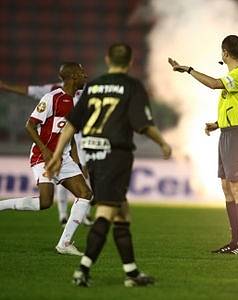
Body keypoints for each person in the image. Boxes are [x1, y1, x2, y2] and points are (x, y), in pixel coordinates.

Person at [46, 43, 172, 287]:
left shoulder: (93, 86)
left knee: (122, 214)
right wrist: (163, 144)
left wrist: (56, 154)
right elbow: (143, 124)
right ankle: (82, 270)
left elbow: (71, 123)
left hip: (93, 156)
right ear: (131, 62)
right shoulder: (131, 86)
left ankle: (132, 273)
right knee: (106, 212)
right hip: (115, 156)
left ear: (107, 59)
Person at [169, 35, 238, 255]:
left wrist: (189, 70)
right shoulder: (233, 77)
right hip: (227, 133)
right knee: (227, 187)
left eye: (221, 52)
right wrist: (218, 124)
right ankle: (235, 241)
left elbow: (214, 84)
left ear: (225, 53)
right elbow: (235, 107)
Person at [0, 62, 93, 256]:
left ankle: (65, 243)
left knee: (85, 193)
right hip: (43, 157)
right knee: (45, 202)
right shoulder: (52, 98)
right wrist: (46, 151)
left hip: (64, 158)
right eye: (82, 72)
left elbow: (71, 134)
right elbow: (30, 125)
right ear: (73, 76)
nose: (86, 75)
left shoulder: (78, 103)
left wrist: (77, 162)